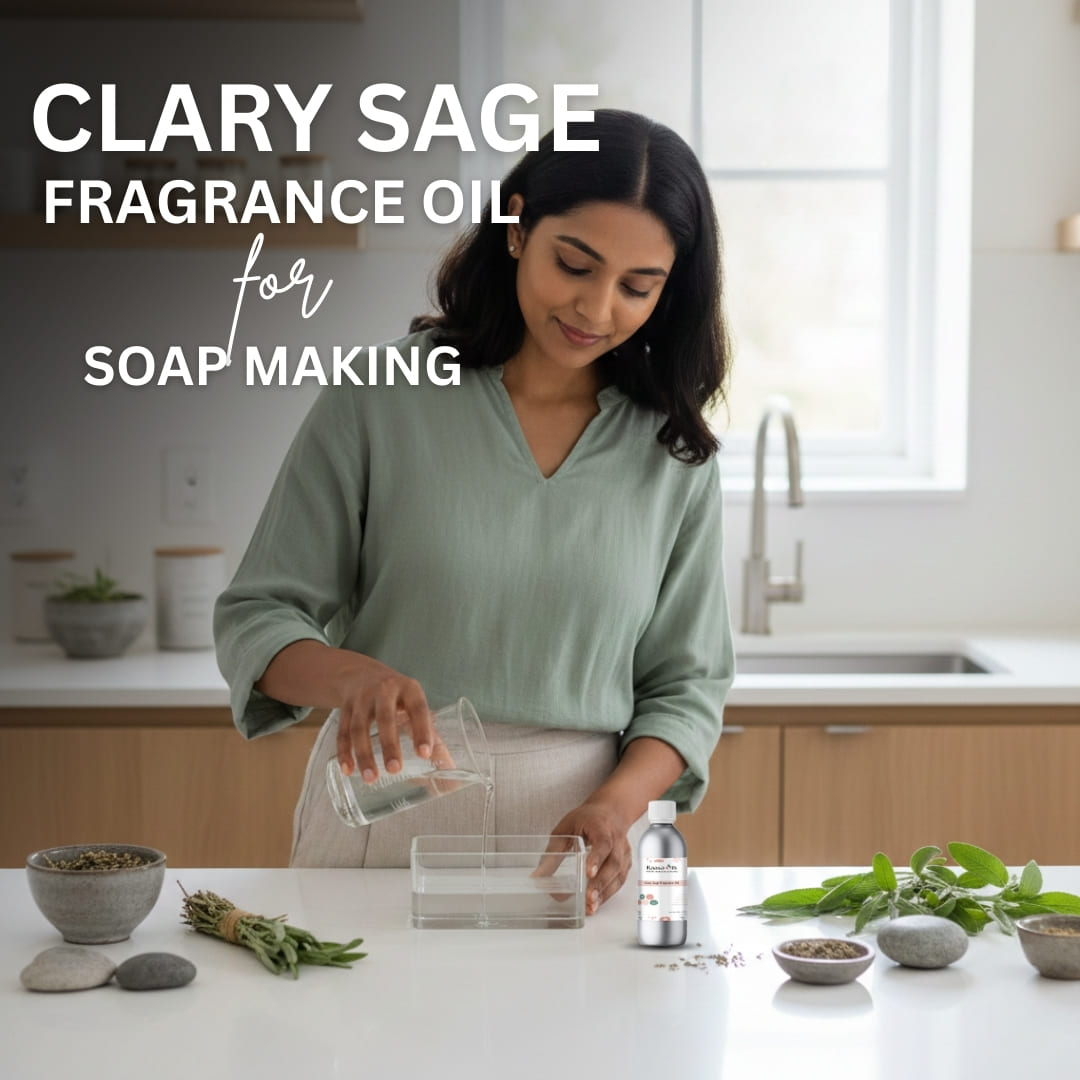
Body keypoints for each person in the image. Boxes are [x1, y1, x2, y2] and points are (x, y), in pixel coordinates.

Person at [214, 109, 735, 917]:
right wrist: (354, 677)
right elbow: (259, 615)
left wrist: (616, 805)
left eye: (638, 287)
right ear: (517, 228)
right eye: (575, 264)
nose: (597, 308)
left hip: (576, 841)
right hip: (385, 812)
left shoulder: (672, 451)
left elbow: (686, 686)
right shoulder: (379, 397)